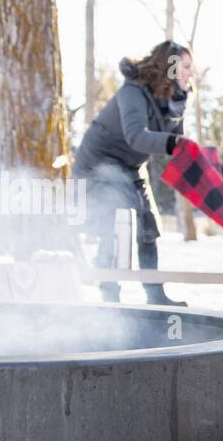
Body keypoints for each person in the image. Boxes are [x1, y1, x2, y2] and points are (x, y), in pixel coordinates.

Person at [75, 40, 195, 307]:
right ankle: (110, 295)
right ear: (169, 67)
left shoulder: (172, 99)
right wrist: (174, 144)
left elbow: (175, 140)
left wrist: (180, 100)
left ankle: (155, 296)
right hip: (98, 163)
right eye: (185, 66)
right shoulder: (134, 91)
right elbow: (136, 137)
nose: (190, 73)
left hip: (130, 166)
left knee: (148, 226)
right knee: (115, 224)